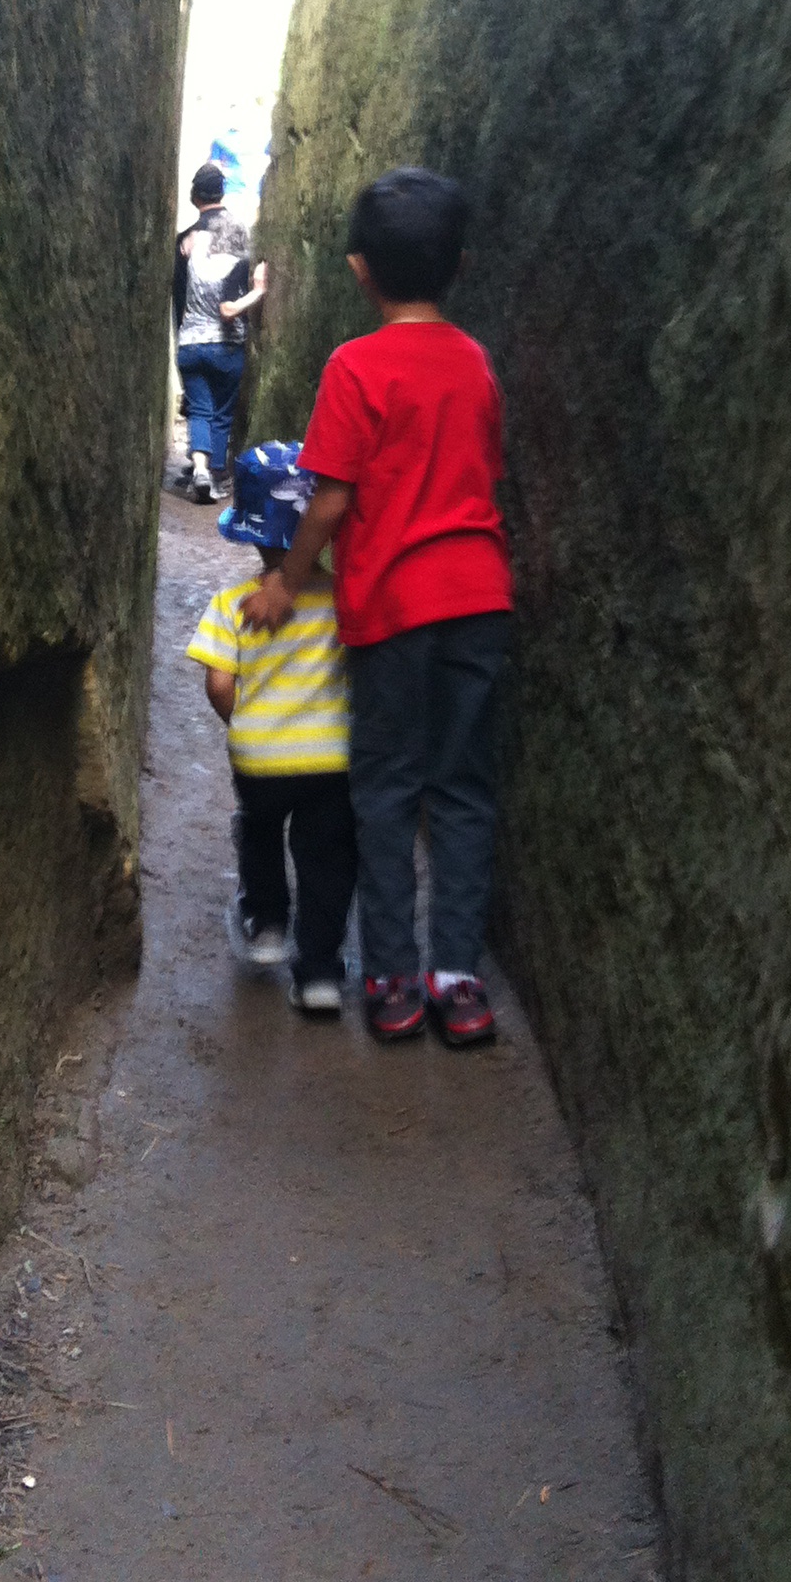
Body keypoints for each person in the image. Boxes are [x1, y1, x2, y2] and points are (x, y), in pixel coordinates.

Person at [241, 168, 512, 1048]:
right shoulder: (475, 362)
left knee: (387, 787)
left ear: (359, 270)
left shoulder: (355, 367)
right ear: (460, 265)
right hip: (478, 597)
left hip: (393, 604)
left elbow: (330, 497)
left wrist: (288, 579)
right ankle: (459, 978)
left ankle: (392, 977)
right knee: (462, 788)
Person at [185, 443, 357, 1016]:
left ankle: (267, 927)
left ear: (252, 534)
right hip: (331, 759)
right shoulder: (342, 600)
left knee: (259, 831)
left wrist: (245, 724)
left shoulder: (232, 603)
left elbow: (218, 684)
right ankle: (320, 975)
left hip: (260, 758)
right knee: (327, 855)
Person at [172, 161, 266, 500]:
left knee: (199, 409)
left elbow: (178, 296)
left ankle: (198, 468)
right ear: (222, 193)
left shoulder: (186, 240)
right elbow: (234, 296)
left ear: (195, 196)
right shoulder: (239, 234)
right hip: (227, 345)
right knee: (222, 413)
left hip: (191, 342)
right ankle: (213, 474)